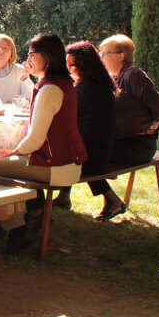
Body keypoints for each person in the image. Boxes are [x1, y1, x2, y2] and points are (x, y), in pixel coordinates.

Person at [0, 33, 87, 253]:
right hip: (67, 161)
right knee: (2, 166)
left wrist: (13, 153)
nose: (28, 59)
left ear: (47, 57)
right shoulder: (61, 84)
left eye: (32, 55)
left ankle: (16, 229)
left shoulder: (50, 90)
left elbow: (35, 140)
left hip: (57, 166)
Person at [53, 41, 127, 220]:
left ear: (84, 65)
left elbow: (65, 115)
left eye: (72, 65)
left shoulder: (86, 88)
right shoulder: (99, 83)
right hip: (101, 146)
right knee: (70, 148)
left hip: (93, 153)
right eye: (67, 65)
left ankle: (113, 200)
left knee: (59, 154)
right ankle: (63, 196)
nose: (69, 69)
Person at [99, 34, 159, 171]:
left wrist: (155, 123)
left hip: (136, 145)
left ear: (121, 56)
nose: (101, 58)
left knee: (89, 154)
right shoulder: (114, 79)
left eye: (105, 54)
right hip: (120, 142)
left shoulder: (133, 75)